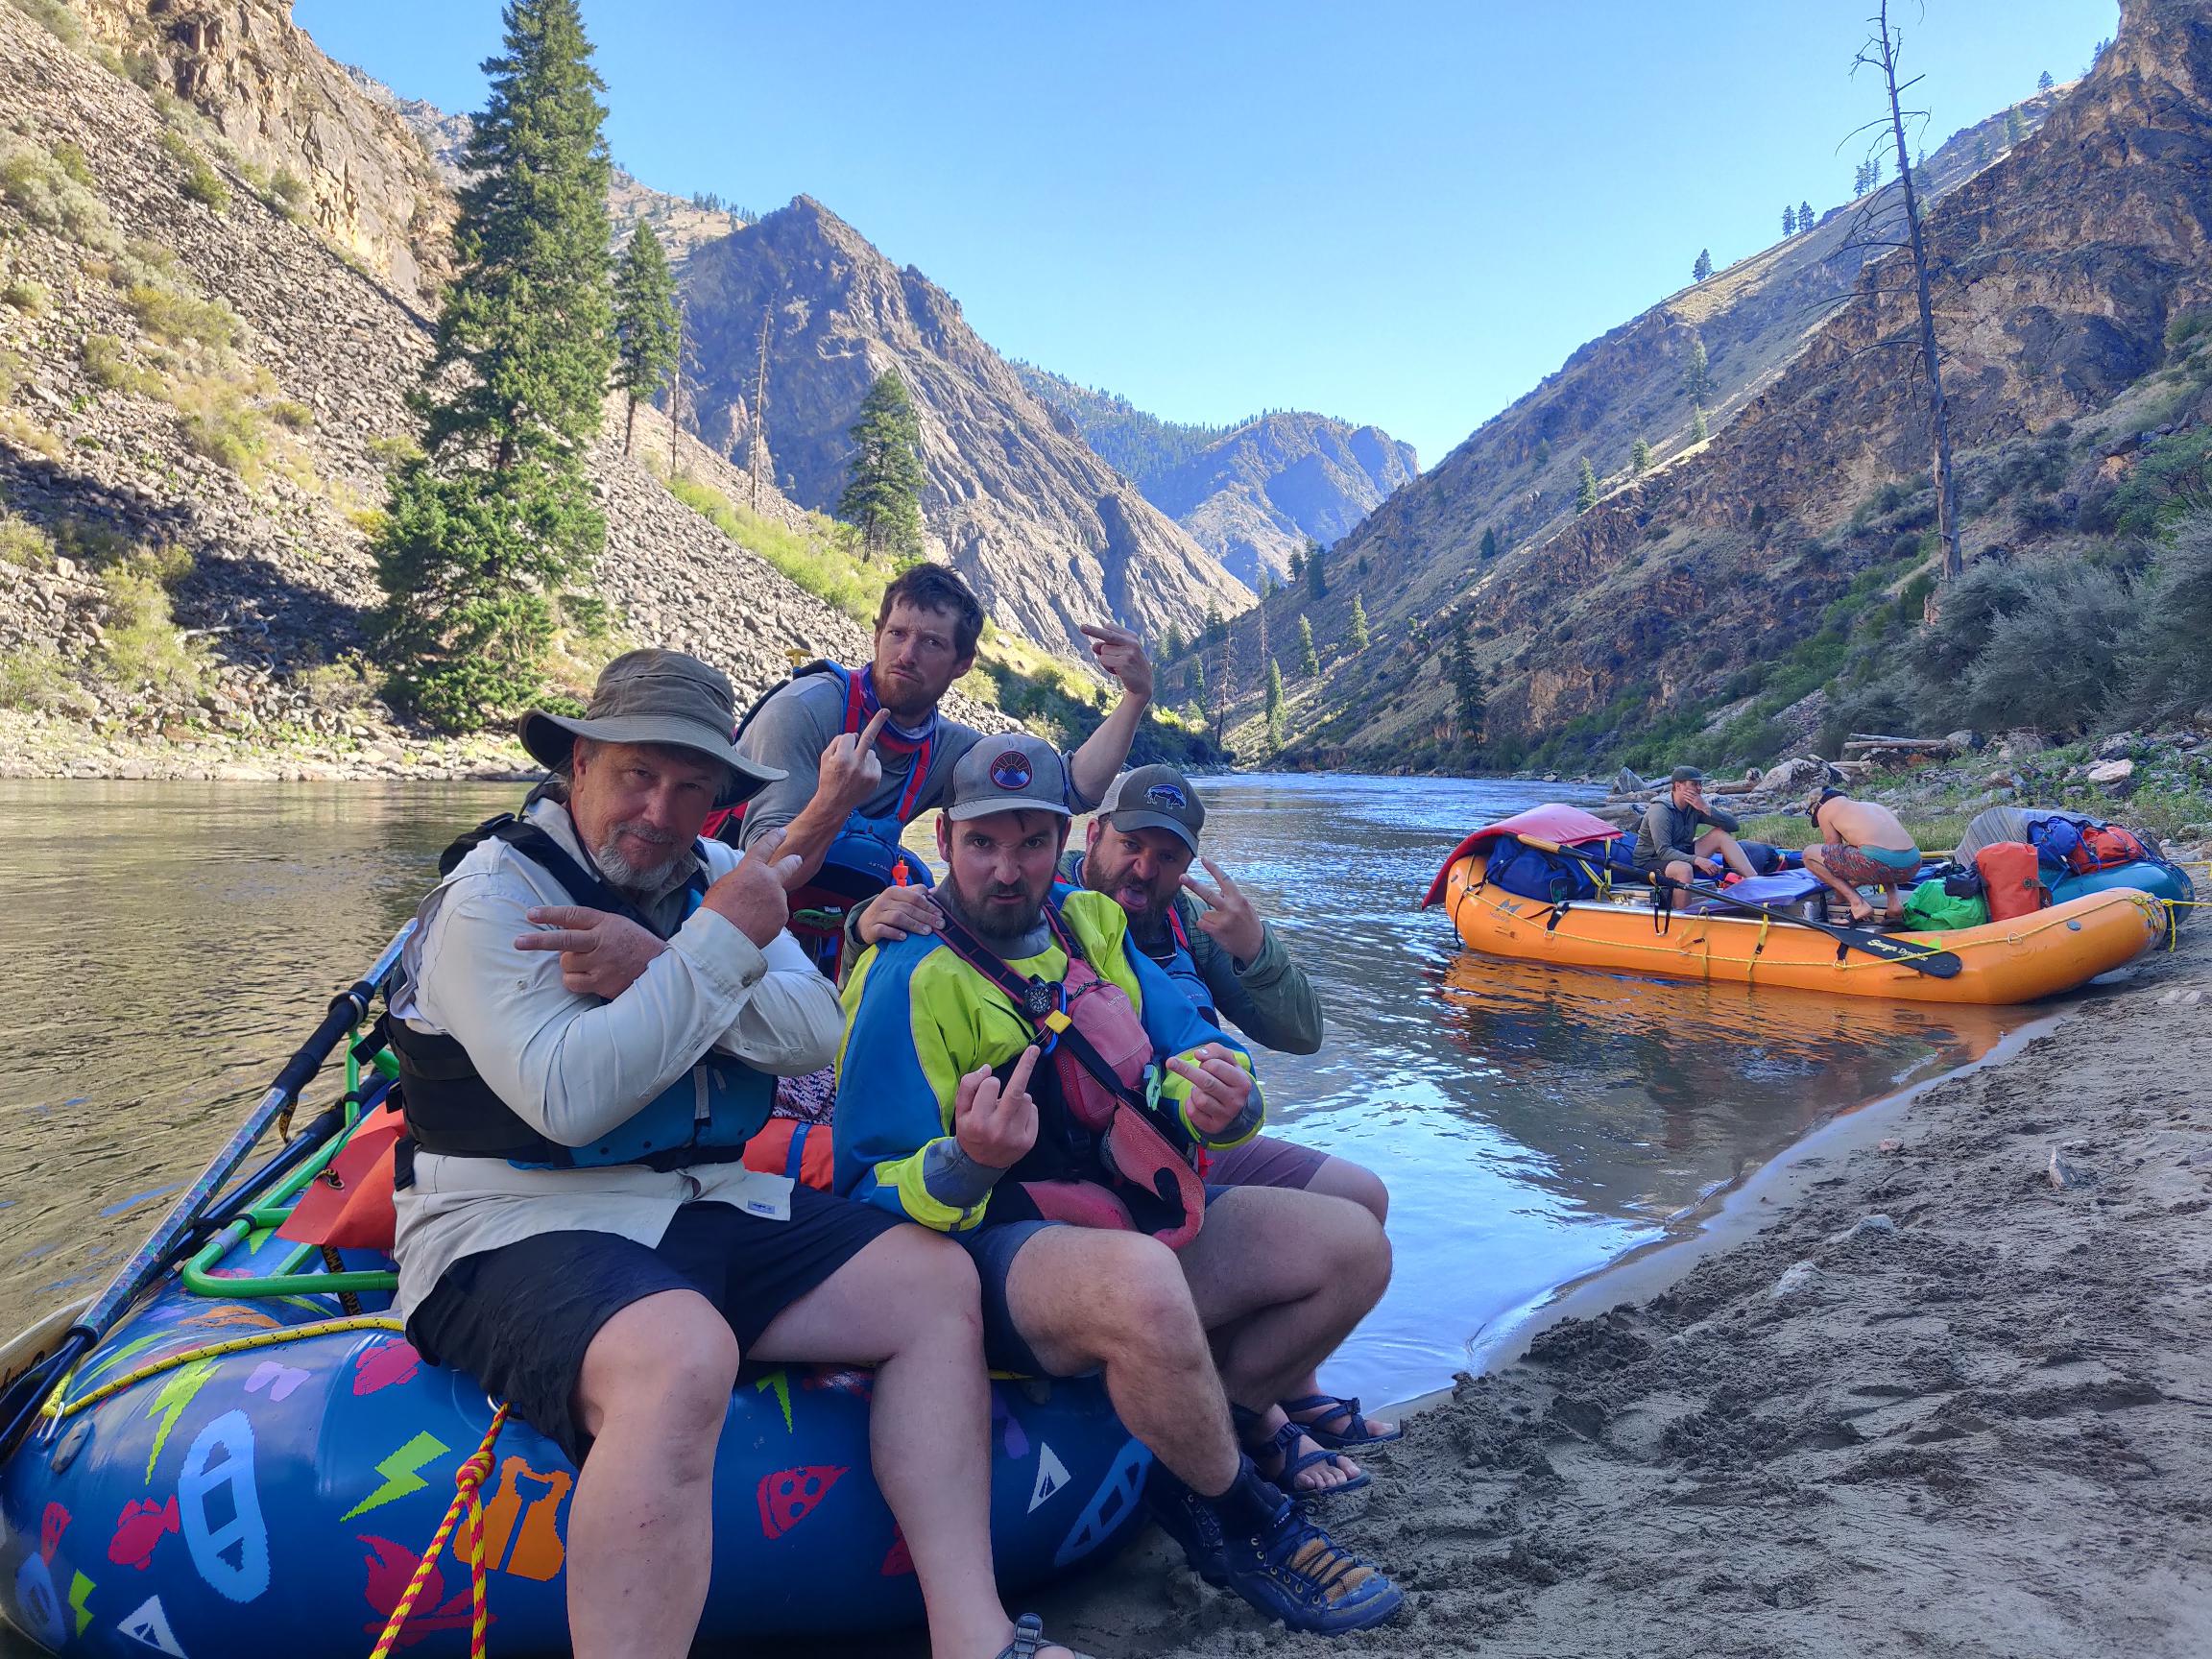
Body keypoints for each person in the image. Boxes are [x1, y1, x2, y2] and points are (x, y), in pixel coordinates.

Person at [386, 651, 1085, 1659]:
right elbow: (570, 1096)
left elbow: (810, 1034)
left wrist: (670, 961)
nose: (662, 812)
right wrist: (713, 954)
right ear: (578, 764)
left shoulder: (718, 876)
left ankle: (971, 1633)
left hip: (697, 1195)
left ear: (719, 795)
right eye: (637, 775)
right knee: (682, 1354)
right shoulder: (493, 895)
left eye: (691, 787)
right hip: (507, 1221)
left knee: (933, 1284)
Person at [833, 734, 1404, 1637]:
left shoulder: (1088, 925)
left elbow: (1185, 1047)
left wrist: (1222, 1101)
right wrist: (969, 1161)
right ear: (944, 843)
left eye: (1029, 844)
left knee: (1351, 1247)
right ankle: (1245, 1521)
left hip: (1126, 1208)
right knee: (1142, 1282)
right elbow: (866, 1186)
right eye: (983, 843)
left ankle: (1202, 1436)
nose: (1007, 870)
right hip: (997, 1248)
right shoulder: (904, 974)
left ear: (1062, 839)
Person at [730, 562, 1154, 876]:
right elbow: (762, 875)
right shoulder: (803, 710)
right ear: (877, 636)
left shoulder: (950, 750)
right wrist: (832, 801)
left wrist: (1135, 697)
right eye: (896, 634)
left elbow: (1071, 790)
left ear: (963, 663)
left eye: (931, 642)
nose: (907, 655)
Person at [1802, 785, 1923, 926]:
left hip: (1878, 862)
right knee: (1877, 851)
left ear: (1816, 804)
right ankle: (1894, 904)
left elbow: (1832, 855)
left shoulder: (1825, 808)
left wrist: (1840, 897)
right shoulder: (1871, 806)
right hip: (1913, 864)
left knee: (1808, 854)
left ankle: (1858, 905)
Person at [1634, 765, 1758, 887]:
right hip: (1650, 863)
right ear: (1678, 786)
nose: (1699, 788)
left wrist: (1706, 808)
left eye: (1700, 784)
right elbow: (1664, 851)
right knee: (1684, 869)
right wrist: (1697, 860)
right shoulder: (1661, 810)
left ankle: (1755, 881)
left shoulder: (1695, 807)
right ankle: (1683, 907)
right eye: (1694, 784)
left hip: (1681, 853)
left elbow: (1733, 826)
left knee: (1720, 835)